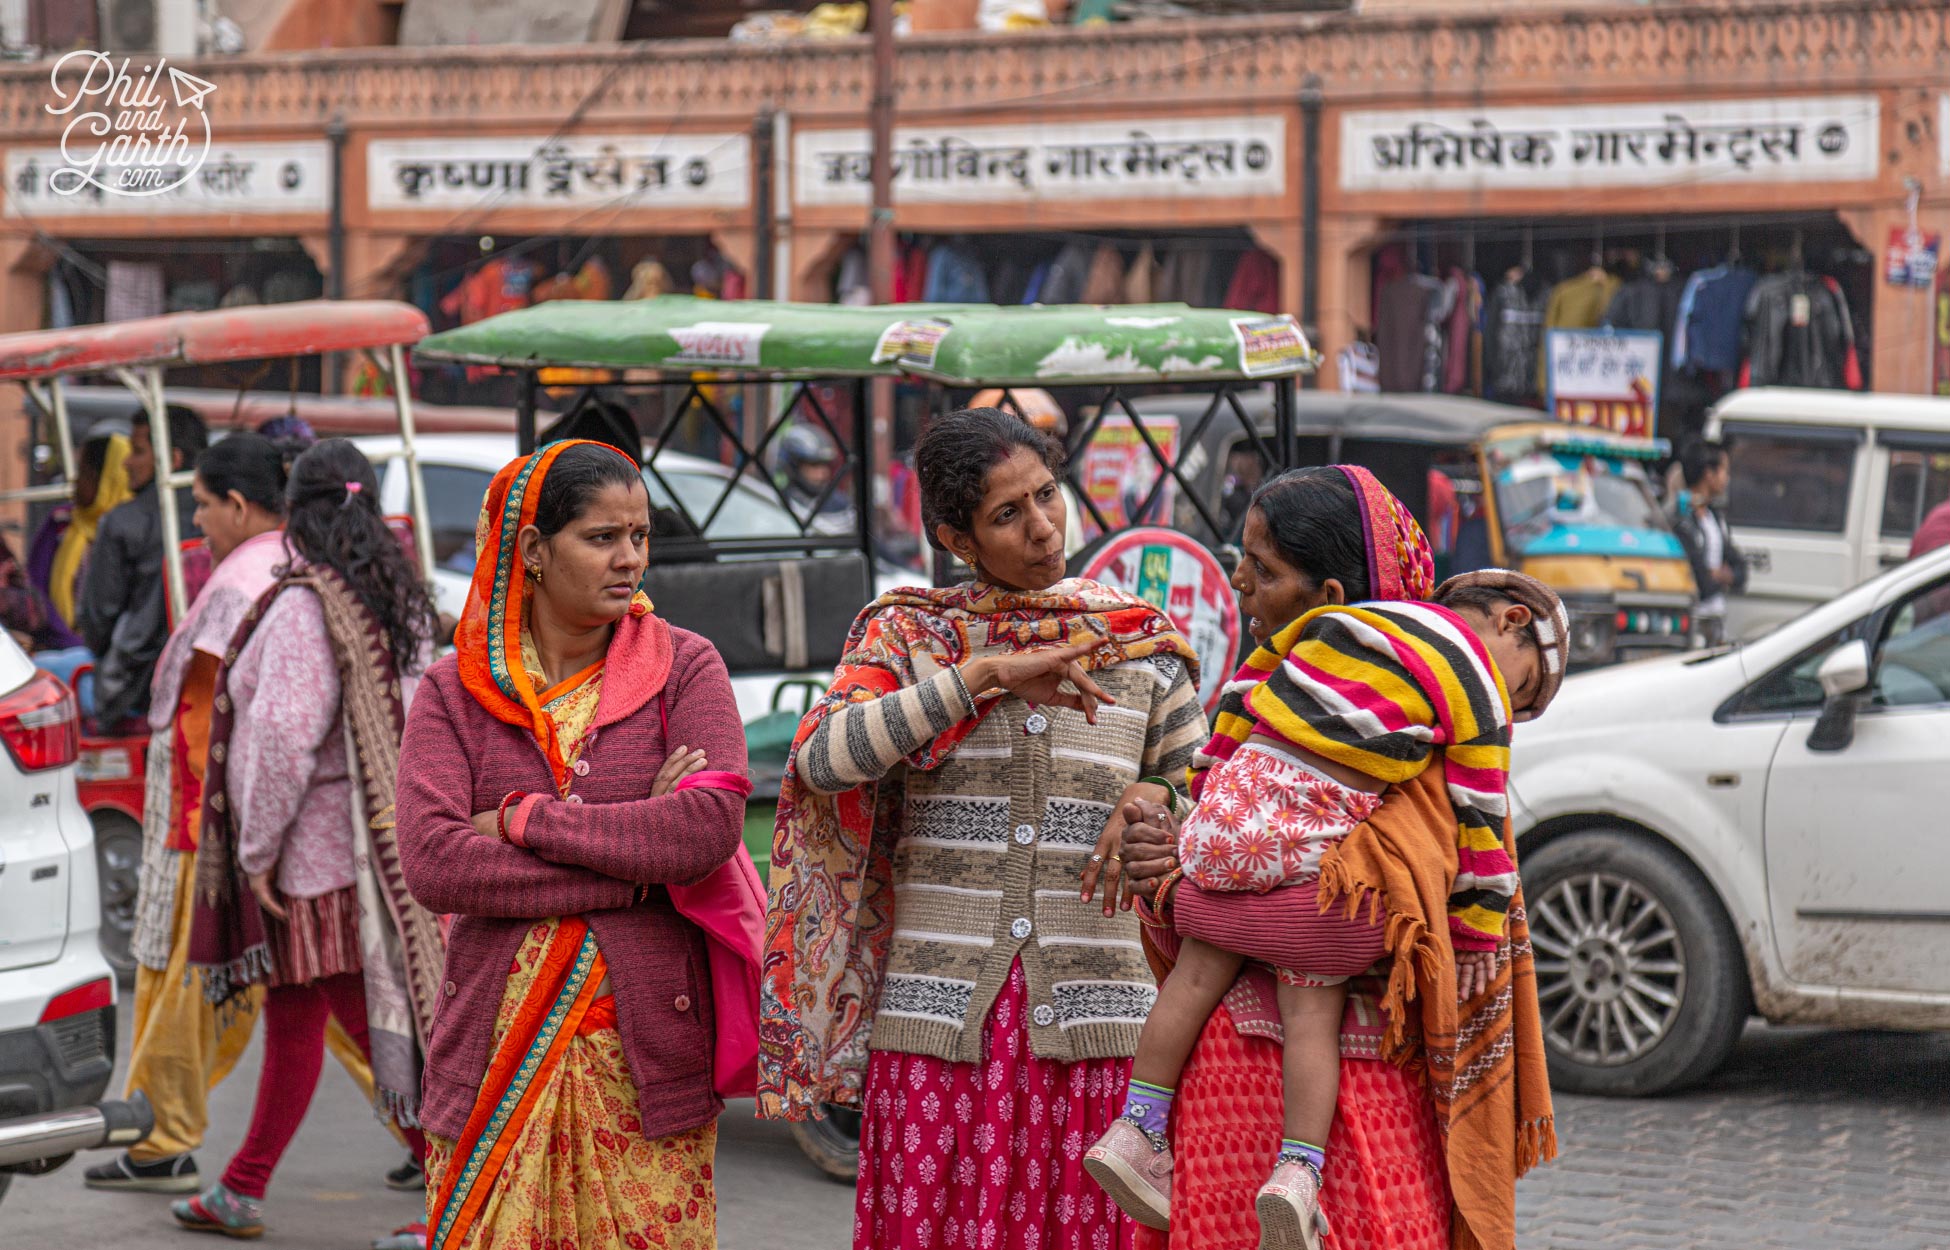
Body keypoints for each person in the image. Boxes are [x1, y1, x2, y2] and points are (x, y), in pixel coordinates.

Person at [759, 406, 1210, 1250]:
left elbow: (1205, 793)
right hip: (938, 1024)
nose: (1043, 528)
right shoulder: (906, 637)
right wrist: (981, 676)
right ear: (954, 537)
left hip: (1105, 1026)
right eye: (1008, 515)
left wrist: (1155, 798)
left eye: (1047, 494)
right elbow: (822, 758)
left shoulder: (1141, 644)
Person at [1107, 466, 1556, 1250]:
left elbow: (1354, 928)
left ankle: (1140, 1126)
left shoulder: (1410, 767)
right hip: (1274, 1097)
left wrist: (1186, 897)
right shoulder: (1423, 720)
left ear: (1333, 599)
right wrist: (1166, 845)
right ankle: (1281, 1166)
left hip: (1361, 1095)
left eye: (1266, 570)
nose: (1240, 583)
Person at [396, 439, 760, 1250]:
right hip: (493, 1053)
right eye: (602, 537)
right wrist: (637, 866)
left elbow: (704, 832)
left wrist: (527, 820)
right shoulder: (453, 694)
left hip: (646, 1066)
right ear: (531, 550)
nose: (629, 558)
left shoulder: (685, 668)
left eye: (640, 535)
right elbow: (434, 862)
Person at [85, 434, 381, 1194]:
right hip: (303, 835)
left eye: (205, 505)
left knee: (198, 986)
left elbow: (253, 729)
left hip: (235, 828)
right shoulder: (320, 573)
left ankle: (166, 1137)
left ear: (240, 505)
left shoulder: (254, 581)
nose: (199, 520)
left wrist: (240, 842)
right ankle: (243, 1179)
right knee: (318, 1005)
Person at [169, 440, 444, 1240]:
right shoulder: (395, 599)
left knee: (371, 1027)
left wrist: (254, 852)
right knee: (296, 1021)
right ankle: (240, 1187)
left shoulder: (304, 605)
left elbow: (282, 737)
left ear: (297, 513)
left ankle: (460, 1191)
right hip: (381, 852)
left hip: (317, 864)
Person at [76, 404, 209, 728]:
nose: (126, 462)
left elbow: (97, 619)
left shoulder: (121, 523)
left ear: (173, 459)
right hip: (204, 680)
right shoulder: (219, 518)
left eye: (137, 451)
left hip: (131, 691)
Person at [30, 431, 133, 645]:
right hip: (55, 644)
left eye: (83, 473)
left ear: (105, 481)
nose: (75, 481)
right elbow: (36, 588)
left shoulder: (132, 533)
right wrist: (69, 641)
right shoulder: (61, 523)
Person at [1674, 440, 1746, 646]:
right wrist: (1721, 577)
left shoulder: (1715, 518)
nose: (1727, 479)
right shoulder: (1681, 521)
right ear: (1709, 473)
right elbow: (1700, 581)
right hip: (1693, 628)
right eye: (1724, 471)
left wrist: (1722, 575)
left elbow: (1741, 570)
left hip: (1717, 625)